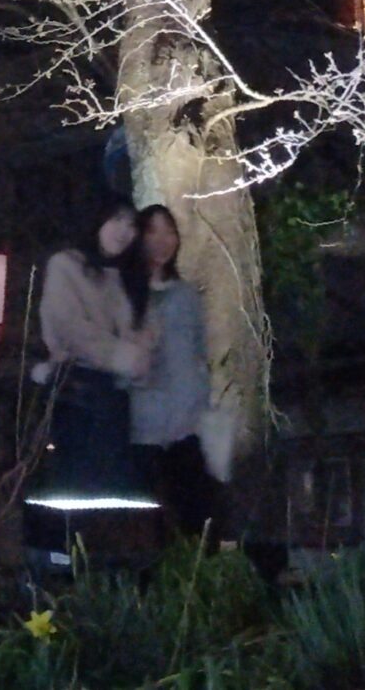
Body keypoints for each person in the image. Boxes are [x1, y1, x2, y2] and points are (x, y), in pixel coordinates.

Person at [28, 200, 159, 534]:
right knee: (76, 492)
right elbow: (69, 328)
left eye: (131, 225)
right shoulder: (66, 265)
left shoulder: (129, 275)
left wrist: (138, 356)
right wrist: (124, 356)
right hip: (78, 393)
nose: (124, 231)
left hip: (119, 398)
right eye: (116, 220)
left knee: (114, 499)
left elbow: (145, 331)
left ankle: (103, 559)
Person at [129, 203, 221, 546]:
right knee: (151, 526)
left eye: (169, 231)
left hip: (187, 425)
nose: (162, 240)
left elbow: (199, 352)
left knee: (197, 518)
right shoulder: (126, 295)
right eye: (152, 231)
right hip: (144, 427)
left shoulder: (187, 295)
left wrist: (201, 401)